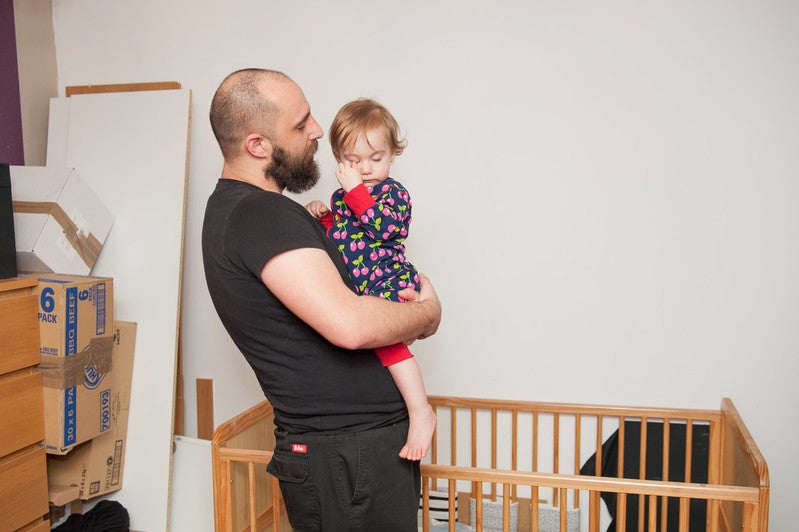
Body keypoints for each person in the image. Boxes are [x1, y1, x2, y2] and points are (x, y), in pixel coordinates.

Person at [202, 68, 442, 531]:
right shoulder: (260, 214)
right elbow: (350, 325)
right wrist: (427, 313)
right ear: (258, 145)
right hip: (347, 459)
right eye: (301, 123)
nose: (317, 130)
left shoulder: (250, 213)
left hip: (349, 455)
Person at [305, 98, 436, 462]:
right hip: (358, 291)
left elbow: (384, 228)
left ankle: (420, 410)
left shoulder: (393, 194)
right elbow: (345, 240)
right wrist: (324, 219)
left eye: (375, 159)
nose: (364, 169)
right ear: (337, 156)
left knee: (391, 349)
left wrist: (355, 193)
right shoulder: (343, 196)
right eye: (353, 160)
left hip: (387, 283)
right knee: (362, 356)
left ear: (392, 154)